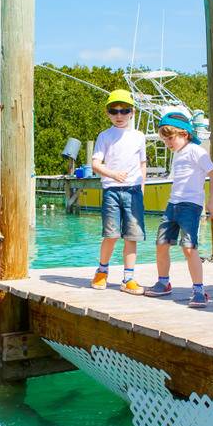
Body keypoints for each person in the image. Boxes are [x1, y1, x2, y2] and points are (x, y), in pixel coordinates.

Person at [145, 111, 213, 307]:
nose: (167, 143)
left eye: (170, 138)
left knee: (188, 248)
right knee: (161, 244)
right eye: (164, 140)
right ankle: (163, 282)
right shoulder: (177, 154)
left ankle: (199, 290)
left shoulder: (196, 151)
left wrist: (211, 202)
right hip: (173, 205)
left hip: (190, 206)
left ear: (184, 134)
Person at [90, 89, 147, 295]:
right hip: (111, 191)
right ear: (108, 113)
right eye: (114, 111)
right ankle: (102, 271)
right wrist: (113, 174)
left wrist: (142, 187)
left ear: (132, 112)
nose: (119, 115)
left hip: (133, 191)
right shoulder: (104, 136)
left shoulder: (139, 136)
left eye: (124, 111)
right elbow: (95, 164)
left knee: (132, 236)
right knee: (111, 234)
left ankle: (128, 277)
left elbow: (142, 164)